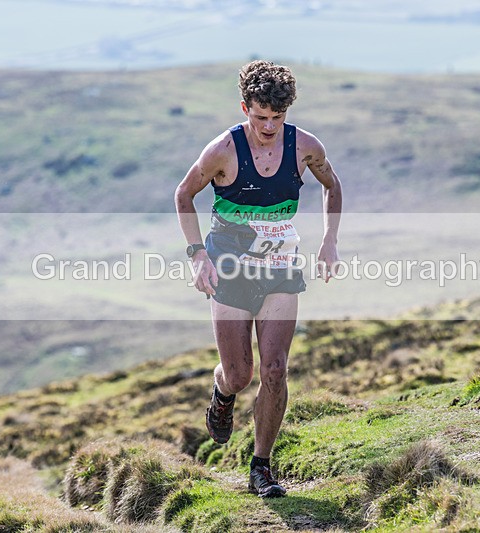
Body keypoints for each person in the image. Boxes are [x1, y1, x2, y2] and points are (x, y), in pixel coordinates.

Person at [174, 60, 342, 497]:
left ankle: (261, 467)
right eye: (260, 115)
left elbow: (332, 185)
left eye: (278, 117)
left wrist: (329, 241)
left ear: (287, 112)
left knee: (275, 369)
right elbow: (184, 194)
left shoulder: (305, 146)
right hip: (229, 266)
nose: (269, 126)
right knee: (240, 373)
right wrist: (196, 256)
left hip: (281, 267)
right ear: (244, 106)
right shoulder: (222, 151)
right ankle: (221, 391)